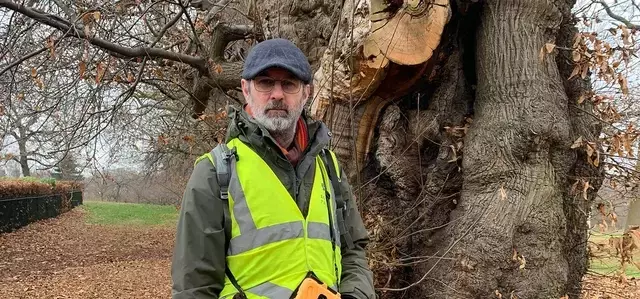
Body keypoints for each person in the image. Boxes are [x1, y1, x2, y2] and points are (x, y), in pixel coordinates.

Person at [171, 38, 376, 299]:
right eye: (265, 82)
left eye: (288, 84)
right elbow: (194, 288)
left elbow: (353, 254)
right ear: (246, 89)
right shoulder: (216, 172)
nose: (277, 94)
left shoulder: (329, 167)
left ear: (306, 93)